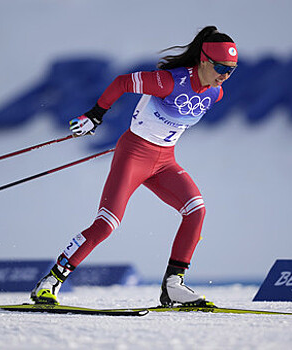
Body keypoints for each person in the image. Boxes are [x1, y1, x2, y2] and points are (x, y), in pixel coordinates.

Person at [30, 26, 238, 307]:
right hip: (133, 155)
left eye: (231, 70)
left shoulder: (216, 94)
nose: (225, 75)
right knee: (107, 224)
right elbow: (121, 83)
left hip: (165, 161)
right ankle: (51, 282)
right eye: (221, 67)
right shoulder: (168, 82)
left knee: (196, 210)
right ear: (203, 60)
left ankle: (173, 286)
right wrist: (95, 115)